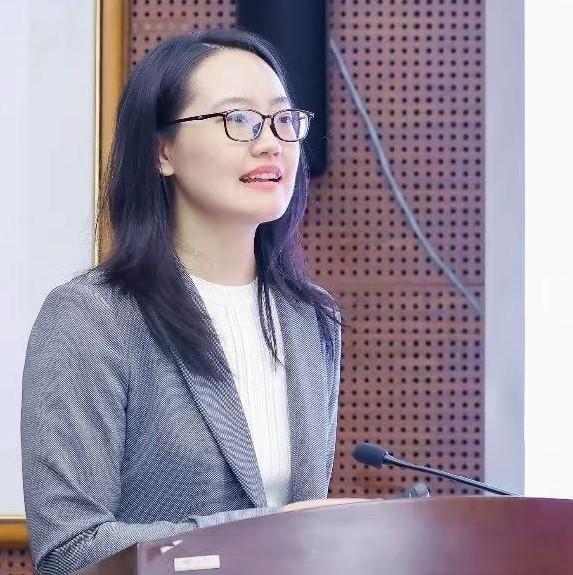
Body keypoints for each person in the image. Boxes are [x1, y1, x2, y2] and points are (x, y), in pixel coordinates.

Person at [21, 28, 363, 575]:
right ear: (163, 152)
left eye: (282, 119)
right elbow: (70, 552)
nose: (270, 143)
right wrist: (272, 532)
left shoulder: (312, 319)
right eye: (239, 120)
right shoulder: (91, 318)